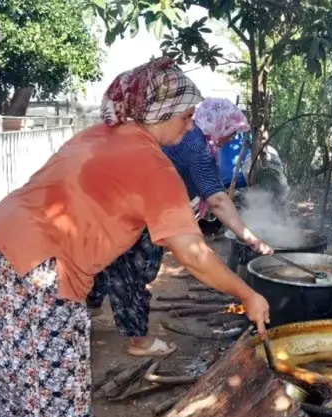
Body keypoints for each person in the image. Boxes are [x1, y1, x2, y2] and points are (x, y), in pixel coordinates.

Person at [0, 58, 270, 417]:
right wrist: (247, 294)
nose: (189, 124)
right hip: (40, 270)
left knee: (11, 370)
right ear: (159, 114)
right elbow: (194, 254)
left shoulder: (98, 134)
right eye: (185, 115)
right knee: (58, 401)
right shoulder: (154, 166)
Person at [87, 97, 273, 356]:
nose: (230, 139)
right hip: (141, 214)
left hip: (119, 205)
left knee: (109, 262)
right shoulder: (196, 146)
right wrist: (248, 235)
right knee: (134, 272)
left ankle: (89, 310)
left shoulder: (193, 137)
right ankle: (138, 340)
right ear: (216, 125)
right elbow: (217, 200)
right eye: (230, 132)